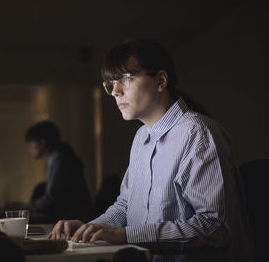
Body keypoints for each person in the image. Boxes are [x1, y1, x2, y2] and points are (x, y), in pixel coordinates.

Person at [48, 39, 254, 261]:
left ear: (161, 81)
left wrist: (128, 235)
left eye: (125, 79)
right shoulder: (141, 137)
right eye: (110, 83)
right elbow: (126, 205)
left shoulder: (197, 133)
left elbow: (214, 226)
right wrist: (89, 228)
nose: (115, 91)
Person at [22, 121, 92, 223]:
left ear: (42, 143)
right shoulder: (57, 158)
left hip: (74, 219)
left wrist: (22, 208)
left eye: (30, 143)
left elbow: (51, 198)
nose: (30, 149)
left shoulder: (59, 160)